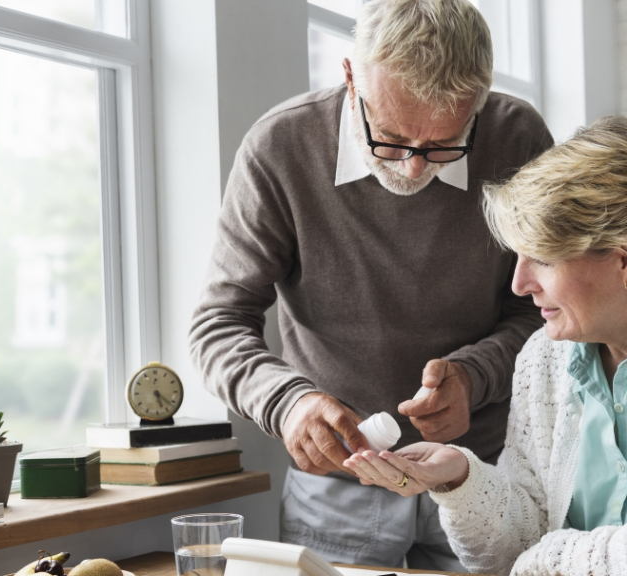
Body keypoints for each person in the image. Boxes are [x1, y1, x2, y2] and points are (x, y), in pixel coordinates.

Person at [345, 115, 627, 575]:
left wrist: (548, 559)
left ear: (626, 258)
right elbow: (514, 547)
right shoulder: (543, 356)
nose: (521, 284)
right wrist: (462, 478)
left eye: (541, 257)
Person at [189, 0, 552, 570]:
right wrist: (289, 404)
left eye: (442, 145)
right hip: (336, 488)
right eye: (390, 137)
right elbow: (217, 326)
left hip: (484, 474)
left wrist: (475, 377)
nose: (412, 169)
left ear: (480, 100)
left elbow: (546, 310)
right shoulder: (280, 148)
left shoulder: (518, 139)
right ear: (351, 76)